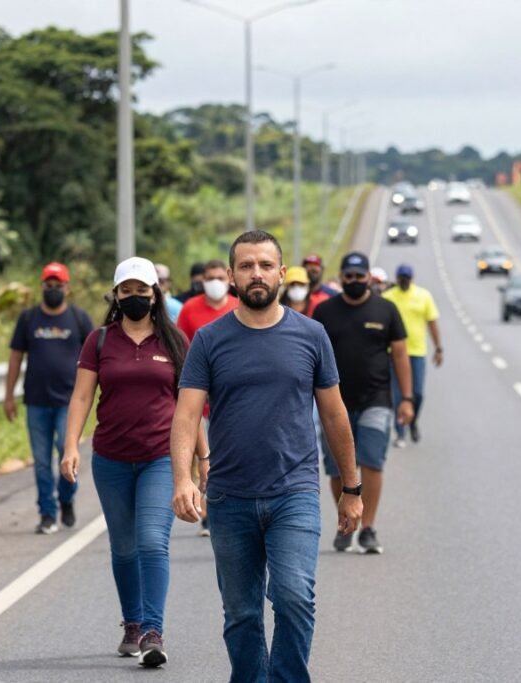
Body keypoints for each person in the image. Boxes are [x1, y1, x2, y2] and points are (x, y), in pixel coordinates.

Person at [171, 231, 363, 682]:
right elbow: (186, 415)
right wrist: (183, 478)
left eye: (264, 264)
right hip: (228, 497)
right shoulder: (209, 340)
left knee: (294, 595)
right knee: (241, 613)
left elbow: (334, 415)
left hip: (293, 492)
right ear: (232, 276)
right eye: (245, 265)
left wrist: (351, 488)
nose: (255, 273)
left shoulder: (312, 335)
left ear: (281, 272)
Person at [61, 256, 207, 668]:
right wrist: (71, 445)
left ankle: (152, 631)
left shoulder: (175, 341)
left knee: (150, 542)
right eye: (127, 291)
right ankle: (132, 622)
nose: (135, 298)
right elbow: (82, 397)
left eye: (142, 291)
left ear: (155, 294)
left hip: (161, 457)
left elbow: (190, 404)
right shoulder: (100, 341)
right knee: (123, 549)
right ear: (117, 295)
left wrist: (202, 458)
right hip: (110, 459)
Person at [313, 252, 414, 554]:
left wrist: (406, 399)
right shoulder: (325, 312)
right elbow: (312, 357)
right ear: (341, 277)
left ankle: (368, 527)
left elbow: (400, 355)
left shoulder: (386, 310)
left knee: (371, 462)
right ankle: (346, 521)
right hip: (334, 405)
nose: (354, 281)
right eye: (349, 276)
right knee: (336, 468)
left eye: (360, 276)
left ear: (369, 277)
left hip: (376, 400)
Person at [5, 262, 93, 535]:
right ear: (42, 286)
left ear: (67, 288)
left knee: (67, 454)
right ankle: (47, 513)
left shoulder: (79, 319)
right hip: (36, 401)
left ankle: (66, 498)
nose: (53, 289)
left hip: (69, 403)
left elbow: (94, 358)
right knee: (41, 461)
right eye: (49, 285)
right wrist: (8, 395)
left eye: (59, 285)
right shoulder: (29, 319)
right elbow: (16, 357)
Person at [175, 259, 238, 537]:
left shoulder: (238, 308)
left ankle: (226, 507)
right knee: (206, 457)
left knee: (229, 456)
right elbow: (180, 351)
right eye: (209, 277)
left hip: (232, 401)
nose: (214, 282)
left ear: (228, 279)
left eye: (219, 277)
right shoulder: (190, 310)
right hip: (200, 400)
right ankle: (208, 511)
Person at [383, 264, 444, 448]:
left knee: (417, 393)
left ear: (412, 279)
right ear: (397, 278)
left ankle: (412, 420)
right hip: (394, 353)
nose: (404, 281)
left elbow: (432, 322)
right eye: (401, 278)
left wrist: (438, 347)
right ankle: (400, 432)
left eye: (407, 278)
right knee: (398, 394)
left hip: (417, 352)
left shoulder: (423, 296)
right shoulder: (388, 298)